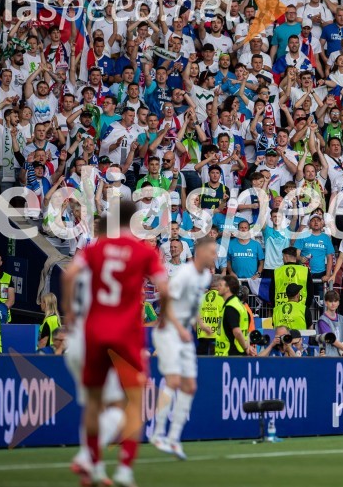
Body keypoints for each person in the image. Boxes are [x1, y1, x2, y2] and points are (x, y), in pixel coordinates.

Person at [61, 201, 169, 487]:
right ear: (133, 220)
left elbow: (70, 274)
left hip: (93, 331)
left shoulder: (95, 248)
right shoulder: (143, 251)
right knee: (133, 402)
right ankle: (123, 469)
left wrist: (69, 312)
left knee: (94, 403)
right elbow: (165, 287)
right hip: (126, 334)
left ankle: (94, 466)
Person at [151, 237, 217, 460]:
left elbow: (192, 305)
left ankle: (174, 438)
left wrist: (201, 324)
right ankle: (159, 433)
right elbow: (166, 302)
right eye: (212, 252)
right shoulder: (184, 274)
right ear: (200, 253)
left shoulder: (205, 276)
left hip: (184, 333)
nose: (215, 255)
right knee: (173, 381)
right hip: (169, 331)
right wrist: (179, 327)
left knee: (190, 386)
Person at [270, 247, 314, 327]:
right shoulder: (305, 270)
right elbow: (310, 291)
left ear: (286, 256)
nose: (282, 259)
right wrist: (305, 308)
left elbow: (271, 292)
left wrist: (275, 308)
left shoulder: (277, 271)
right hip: (301, 309)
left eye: (283, 256)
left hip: (280, 311)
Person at [214, 274, 256, 356]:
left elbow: (237, 332)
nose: (218, 287)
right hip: (235, 354)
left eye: (220, 285)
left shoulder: (231, 307)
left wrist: (246, 348)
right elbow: (246, 333)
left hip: (230, 355)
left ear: (228, 288)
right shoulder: (239, 305)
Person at [316, 290, 343, 356]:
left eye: (335, 301)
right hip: (328, 356)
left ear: (338, 303)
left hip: (341, 357)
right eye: (330, 301)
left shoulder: (342, 319)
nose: (333, 304)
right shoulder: (323, 320)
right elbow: (332, 340)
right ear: (325, 303)